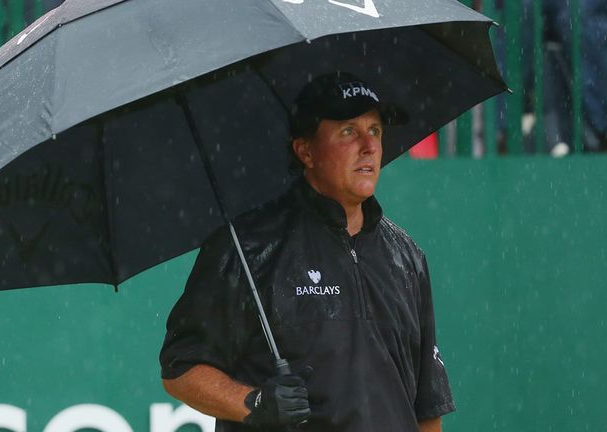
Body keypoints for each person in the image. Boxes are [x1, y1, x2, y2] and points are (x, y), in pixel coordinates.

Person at [159, 72, 455, 431]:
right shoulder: (248, 247)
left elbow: (427, 408)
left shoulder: (407, 257)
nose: (369, 146)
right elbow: (180, 369)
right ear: (305, 151)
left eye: (375, 130)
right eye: (349, 131)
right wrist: (254, 402)